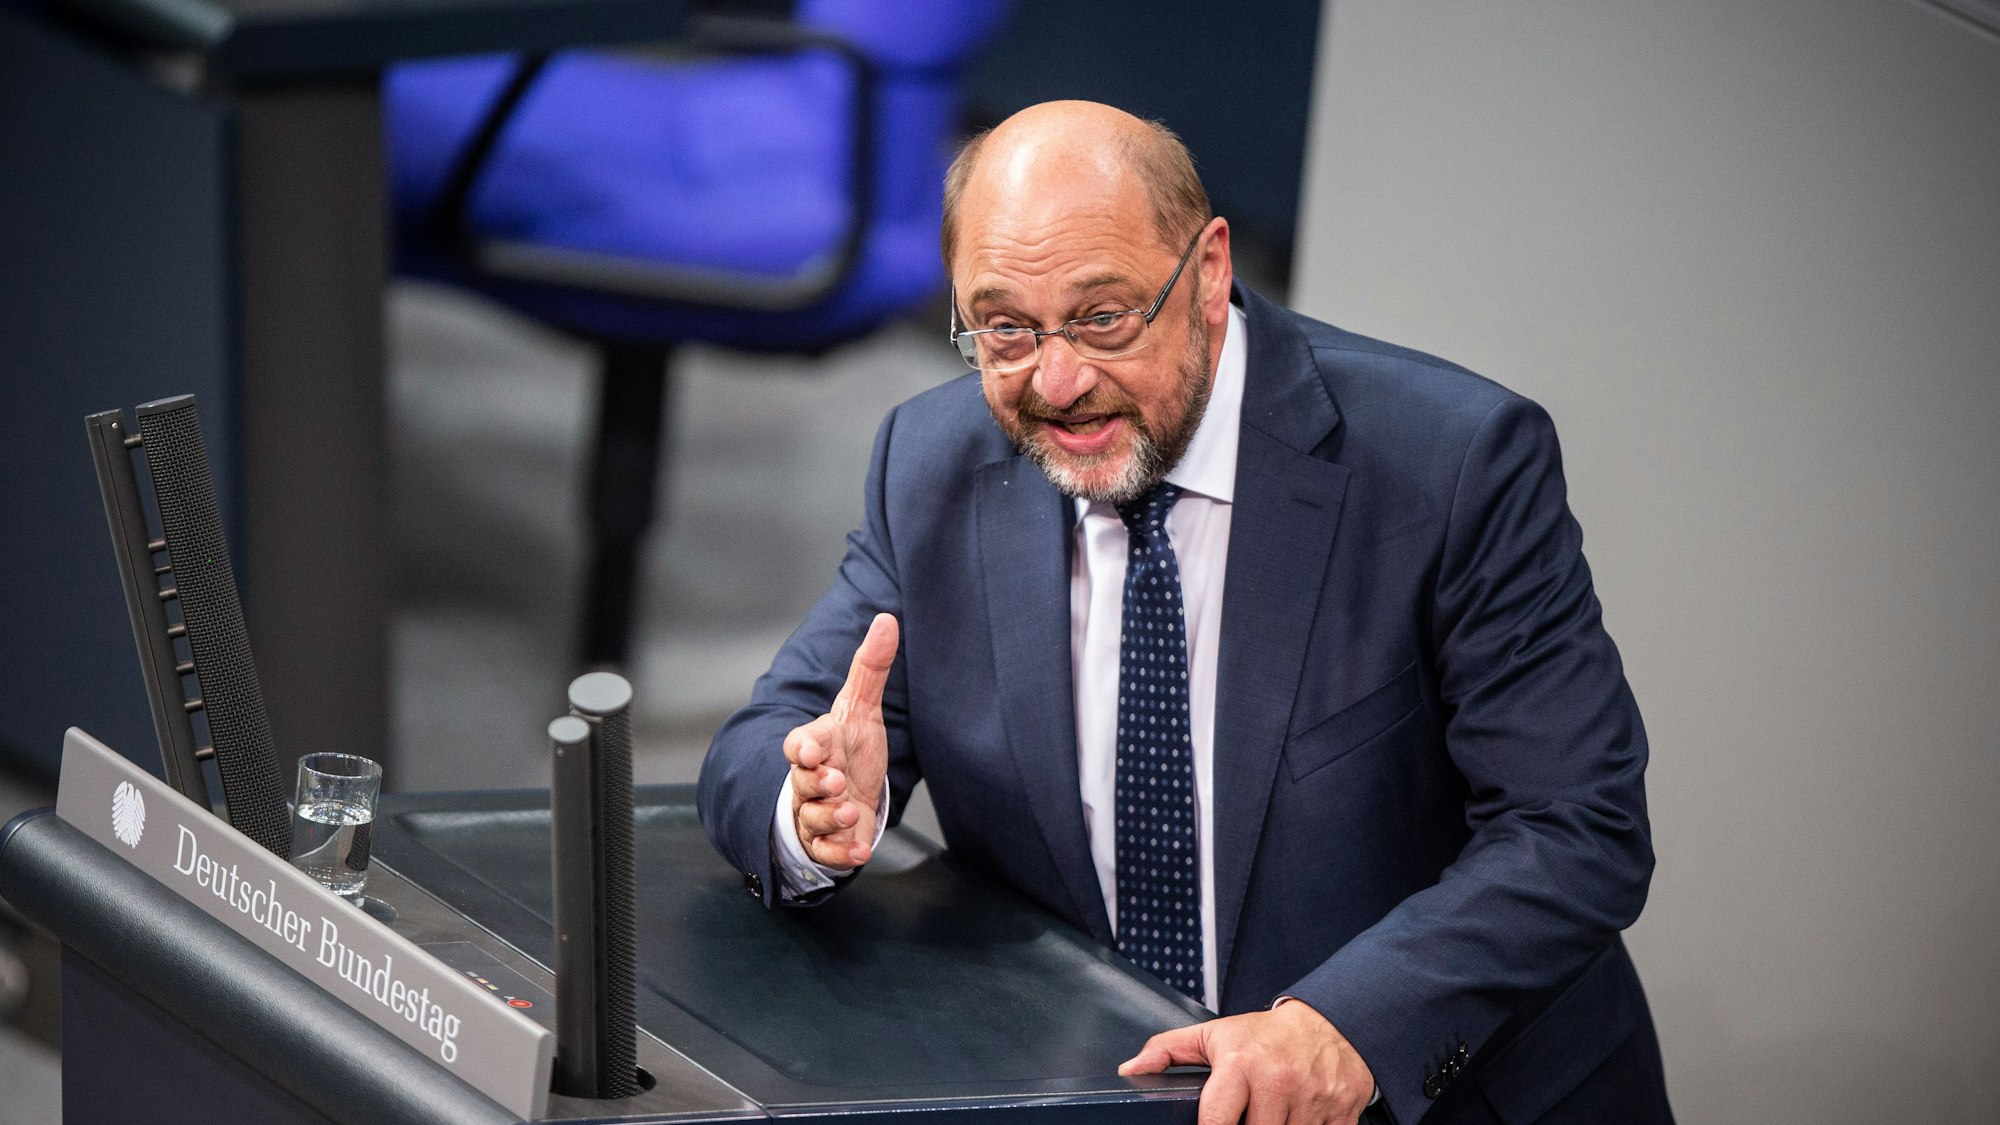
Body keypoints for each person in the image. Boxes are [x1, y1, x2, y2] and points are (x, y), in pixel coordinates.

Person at [698, 100, 1672, 1125]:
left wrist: (1341, 1024)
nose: (1056, 380)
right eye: (1004, 329)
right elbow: (762, 746)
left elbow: (1572, 828)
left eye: (1102, 317)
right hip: (1097, 1094)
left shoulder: (1451, 464)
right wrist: (808, 811)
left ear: (1207, 272)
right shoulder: (934, 466)